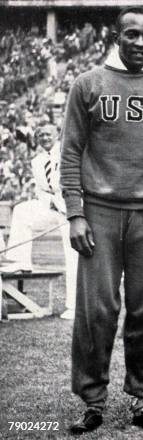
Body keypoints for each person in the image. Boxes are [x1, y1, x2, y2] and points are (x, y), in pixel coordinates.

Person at [60, 6, 143, 434]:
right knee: (97, 310)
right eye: (130, 34)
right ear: (116, 37)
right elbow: (71, 152)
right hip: (99, 211)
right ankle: (93, 401)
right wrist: (76, 213)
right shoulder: (88, 84)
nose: (138, 42)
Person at [4, 123, 78, 320]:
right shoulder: (37, 160)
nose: (45, 138)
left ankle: (74, 306)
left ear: (58, 134)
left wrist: (67, 205)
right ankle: (20, 262)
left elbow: (78, 181)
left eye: (49, 134)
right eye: (41, 135)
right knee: (21, 210)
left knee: (73, 256)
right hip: (51, 207)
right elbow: (41, 190)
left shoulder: (69, 152)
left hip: (72, 208)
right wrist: (51, 203)